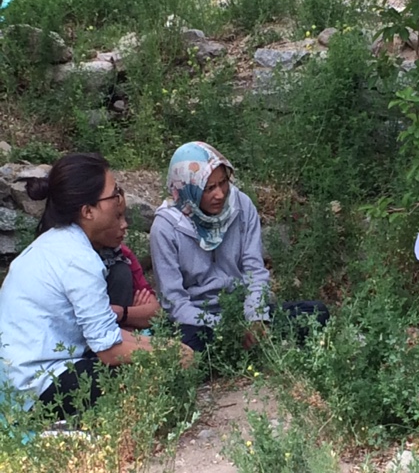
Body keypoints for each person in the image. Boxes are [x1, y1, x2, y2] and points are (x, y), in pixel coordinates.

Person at [0, 153, 193, 419]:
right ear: (88, 211)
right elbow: (109, 351)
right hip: (38, 386)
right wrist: (168, 353)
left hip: (20, 380)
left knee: (169, 346)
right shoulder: (78, 259)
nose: (119, 198)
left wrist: (164, 346)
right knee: (143, 371)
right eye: (113, 194)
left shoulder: (59, 243)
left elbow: (105, 334)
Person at [150, 141, 329, 352]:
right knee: (190, 346)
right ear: (188, 190)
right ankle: (249, 350)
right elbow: (175, 303)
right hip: (199, 321)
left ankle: (251, 346)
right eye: (209, 188)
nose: (220, 194)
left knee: (316, 312)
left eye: (223, 182)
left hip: (243, 310)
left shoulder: (241, 206)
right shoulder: (166, 228)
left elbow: (254, 271)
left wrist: (255, 318)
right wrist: (227, 328)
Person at [97, 195, 160, 330]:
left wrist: (124, 313)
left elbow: (155, 311)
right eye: (116, 217)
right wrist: (136, 315)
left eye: (124, 217)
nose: (124, 224)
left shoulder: (123, 254)